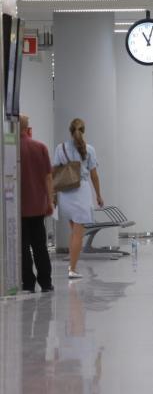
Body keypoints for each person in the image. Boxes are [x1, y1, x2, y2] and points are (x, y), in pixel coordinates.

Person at [53, 118, 103, 279]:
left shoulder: (60, 148)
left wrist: (53, 194)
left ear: (70, 131)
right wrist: (99, 195)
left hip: (65, 192)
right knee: (78, 235)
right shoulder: (89, 149)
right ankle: (72, 269)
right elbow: (94, 176)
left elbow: (54, 172)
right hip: (81, 192)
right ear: (83, 131)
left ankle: (71, 266)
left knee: (74, 232)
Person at [19, 115, 54, 292]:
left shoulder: (10, 149)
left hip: (18, 209)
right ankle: (46, 283)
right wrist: (50, 201)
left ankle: (28, 283)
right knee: (40, 247)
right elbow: (48, 178)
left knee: (23, 248)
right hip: (38, 206)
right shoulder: (40, 147)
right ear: (28, 128)